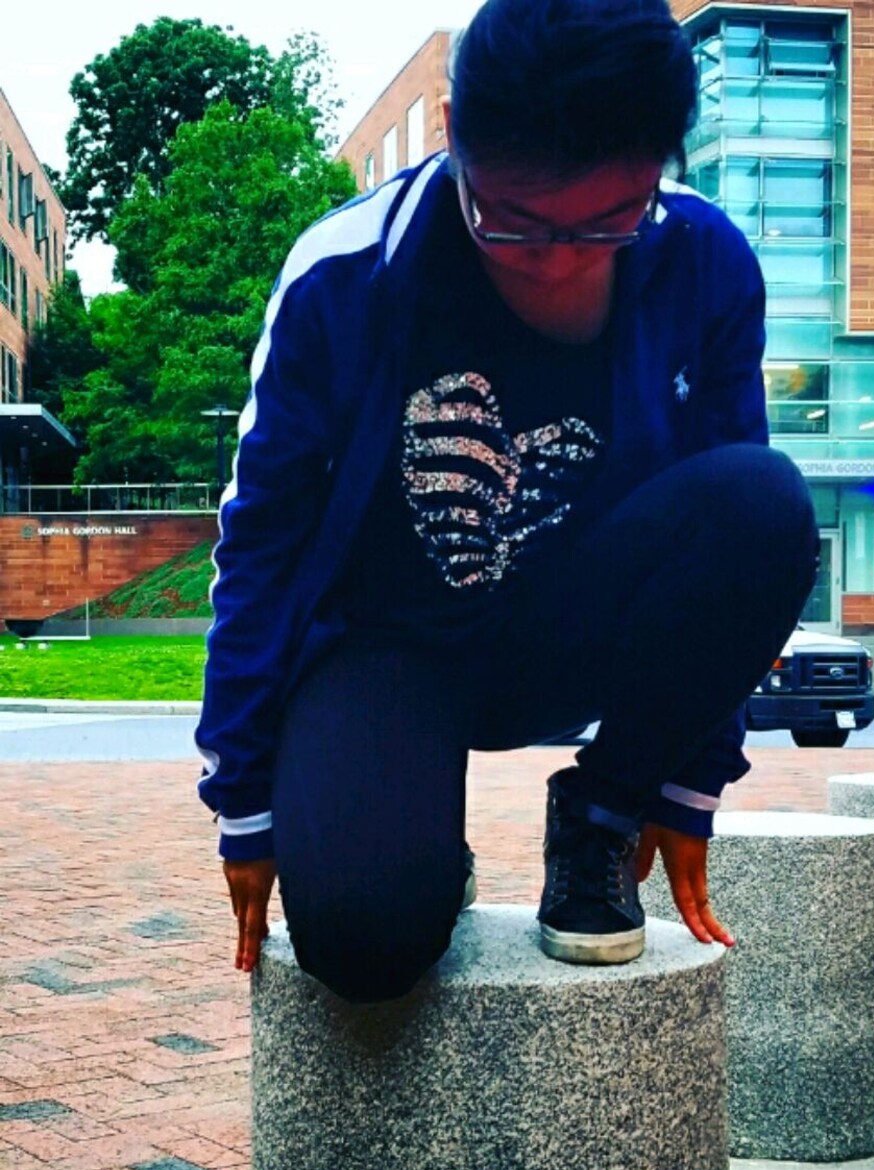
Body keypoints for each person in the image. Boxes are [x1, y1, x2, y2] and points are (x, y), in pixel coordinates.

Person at [195, 0, 818, 1003]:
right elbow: (261, 536)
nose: (560, 258)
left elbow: (735, 539)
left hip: (575, 629)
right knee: (360, 944)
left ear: (661, 167)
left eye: (607, 222)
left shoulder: (702, 262)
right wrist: (248, 807)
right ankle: (419, 858)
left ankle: (597, 818)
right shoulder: (346, 272)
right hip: (387, 646)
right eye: (515, 223)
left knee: (766, 499)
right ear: (453, 132)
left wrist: (680, 785)